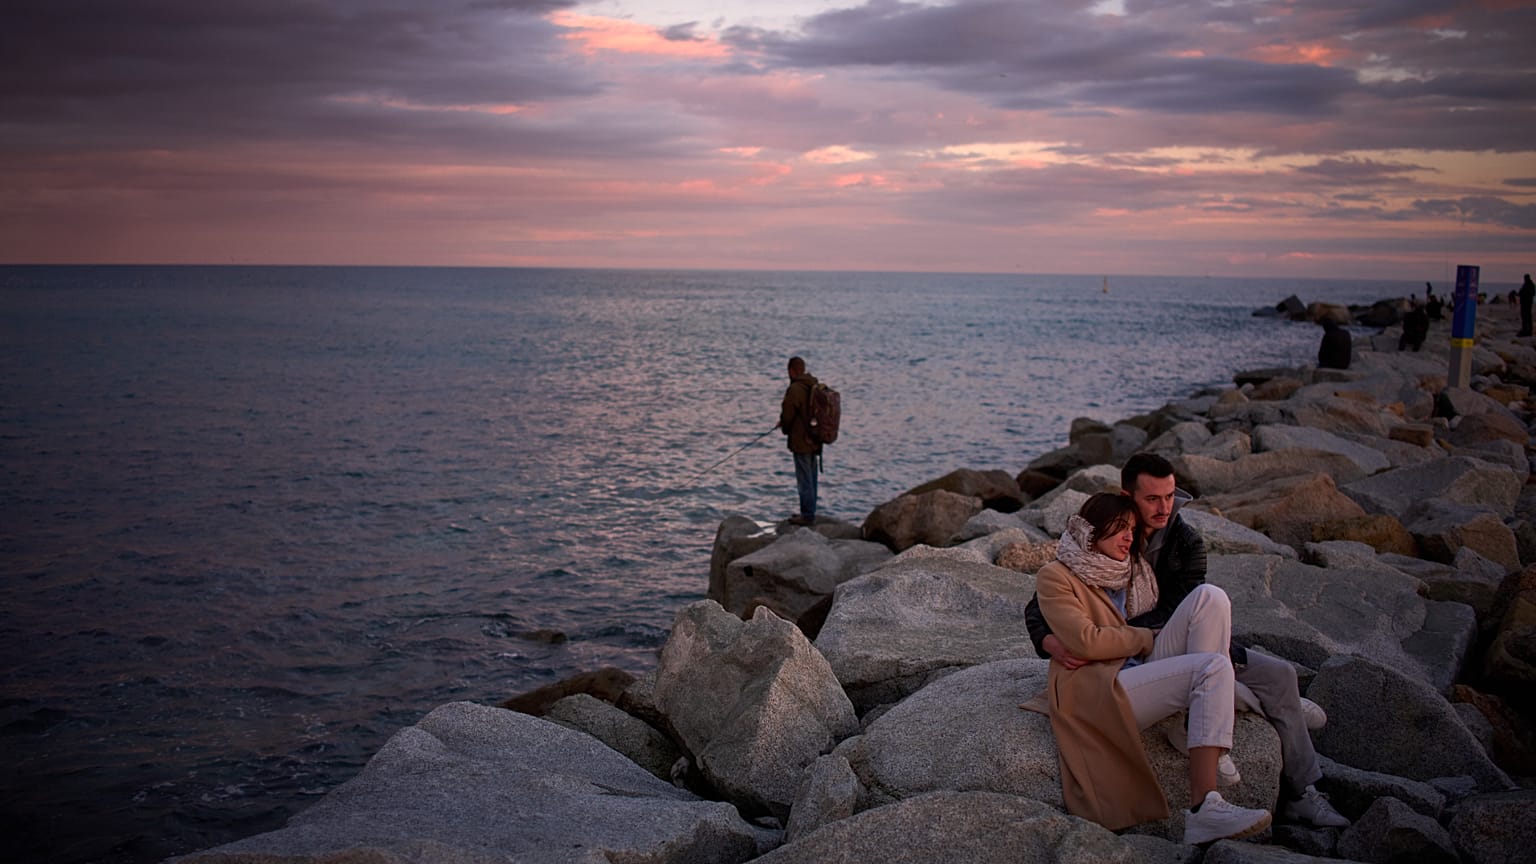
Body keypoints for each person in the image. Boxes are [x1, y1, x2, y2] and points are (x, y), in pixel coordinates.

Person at [1025, 454, 1348, 831]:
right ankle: (1242, 712)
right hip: (1118, 668)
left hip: (1171, 645)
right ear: (1127, 498)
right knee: (1219, 671)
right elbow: (1047, 610)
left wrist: (1140, 639)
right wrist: (1050, 641)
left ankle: (1299, 790)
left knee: (1261, 655)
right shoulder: (1083, 555)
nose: (1164, 508)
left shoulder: (1180, 545)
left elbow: (1186, 615)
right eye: (1152, 499)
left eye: (1170, 496)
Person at [1020, 493, 1272, 844]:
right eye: (1120, 528)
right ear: (1092, 531)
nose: (1128, 537)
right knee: (1212, 668)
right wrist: (1142, 638)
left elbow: (1178, 602)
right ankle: (1204, 809)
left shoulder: (1132, 570)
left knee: (1211, 597)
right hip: (1100, 686)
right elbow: (1086, 641)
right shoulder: (1057, 575)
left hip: (1137, 669)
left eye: (1132, 529)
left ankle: (1193, 724)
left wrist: (1146, 639)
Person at [779, 356, 821, 525]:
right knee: (811, 477)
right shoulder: (813, 385)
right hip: (815, 439)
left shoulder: (795, 388)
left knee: (804, 479)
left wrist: (784, 427)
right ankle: (810, 511)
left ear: (791, 371)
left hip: (801, 441)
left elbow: (788, 414)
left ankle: (807, 515)